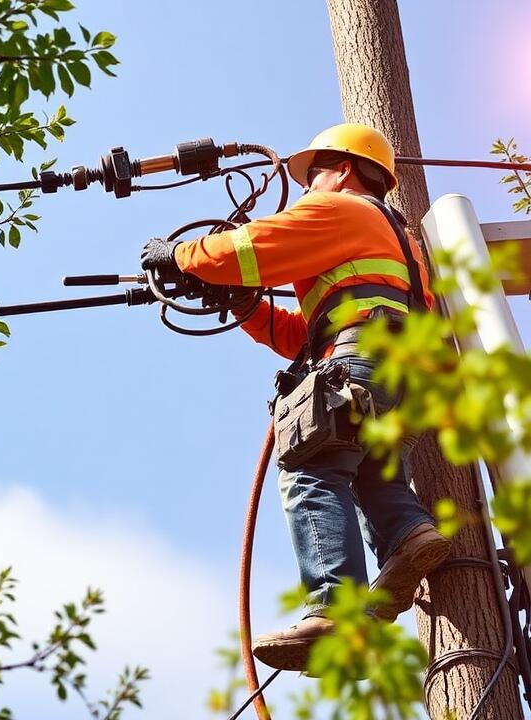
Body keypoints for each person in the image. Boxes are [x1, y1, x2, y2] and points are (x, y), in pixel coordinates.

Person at [139, 123, 452, 671]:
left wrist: (180, 255)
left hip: (361, 359)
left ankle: (336, 607)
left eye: (315, 176)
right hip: (402, 372)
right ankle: (408, 532)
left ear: (345, 170)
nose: (307, 189)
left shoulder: (341, 210)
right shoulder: (395, 241)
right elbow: (304, 337)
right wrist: (244, 307)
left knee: (310, 467)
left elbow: (250, 246)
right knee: (370, 470)